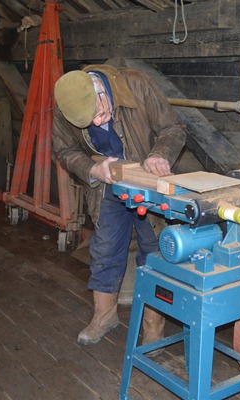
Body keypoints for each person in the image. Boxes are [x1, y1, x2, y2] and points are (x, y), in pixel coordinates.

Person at [52, 63, 186, 346]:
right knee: (104, 249)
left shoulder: (136, 85)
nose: (99, 123)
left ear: (102, 91)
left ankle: (153, 326)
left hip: (150, 183)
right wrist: (91, 169)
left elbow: (173, 127)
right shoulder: (67, 104)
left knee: (156, 253)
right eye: (90, 123)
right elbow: (65, 150)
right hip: (108, 183)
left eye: (101, 114)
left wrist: (160, 154)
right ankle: (105, 316)